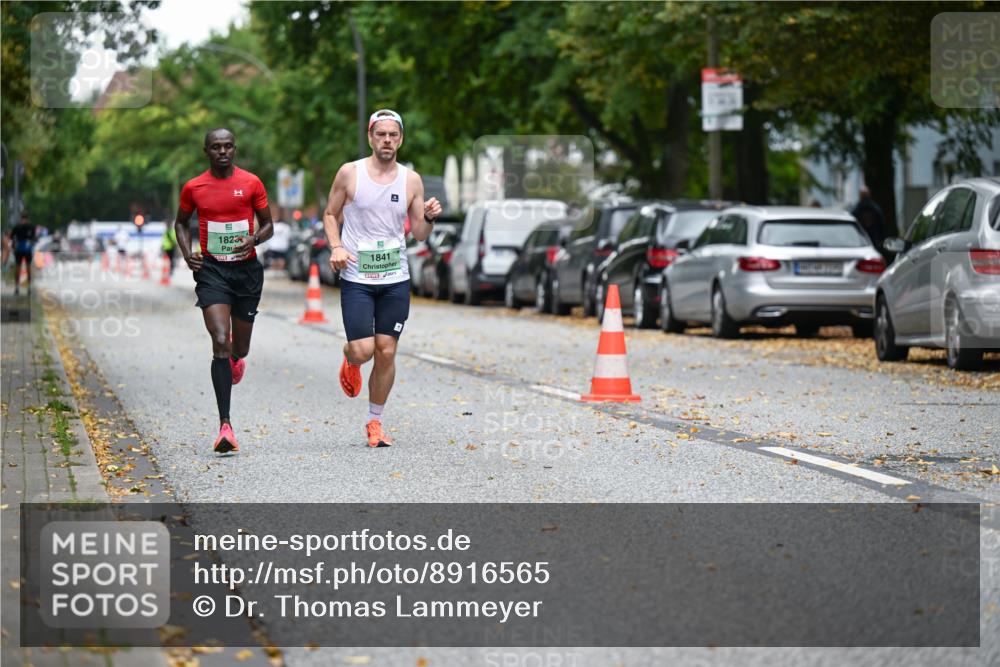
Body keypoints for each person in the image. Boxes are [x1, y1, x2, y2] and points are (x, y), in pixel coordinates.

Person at [323, 109, 442, 448]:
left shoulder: (411, 180)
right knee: (364, 350)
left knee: (386, 351)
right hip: (357, 276)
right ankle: (351, 358)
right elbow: (330, 214)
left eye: (393, 135)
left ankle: (374, 421)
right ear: (370, 137)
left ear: (400, 139)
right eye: (381, 134)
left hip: (395, 277)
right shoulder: (350, 173)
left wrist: (429, 218)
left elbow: (419, 233)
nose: (387, 140)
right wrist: (336, 246)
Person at [173, 128, 274, 454]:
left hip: (246, 272)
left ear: (235, 149)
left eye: (228, 146)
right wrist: (187, 253)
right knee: (220, 339)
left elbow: (268, 225)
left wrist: (254, 238)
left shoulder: (251, 183)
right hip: (212, 271)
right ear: (206, 151)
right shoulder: (194, 187)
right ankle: (225, 426)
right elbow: (180, 223)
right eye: (216, 147)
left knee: (239, 348)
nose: (222, 151)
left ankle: (236, 358)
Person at [851, 185, 886, 253]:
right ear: (869, 195)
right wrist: (881, 239)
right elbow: (881, 225)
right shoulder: (875, 208)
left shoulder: (857, 209)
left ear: (860, 196)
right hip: (874, 239)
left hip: (860, 239)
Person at [8, 213, 37, 294]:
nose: (23, 221)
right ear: (21, 219)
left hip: (27, 250)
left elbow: (34, 238)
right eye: (23, 219)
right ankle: (17, 287)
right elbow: (11, 237)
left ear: (27, 219)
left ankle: (29, 287)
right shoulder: (17, 227)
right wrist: (14, 245)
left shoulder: (31, 227)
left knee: (28, 268)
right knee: (18, 268)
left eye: (24, 219)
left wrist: (31, 243)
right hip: (19, 249)